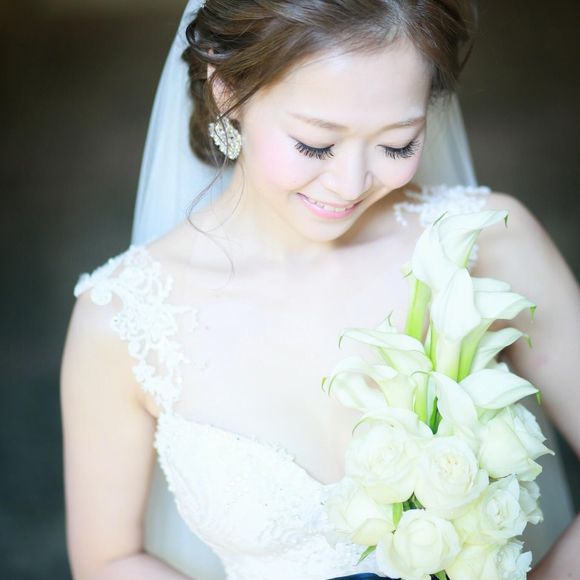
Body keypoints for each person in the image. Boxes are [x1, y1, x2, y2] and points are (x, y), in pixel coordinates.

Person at [60, 1, 579, 579]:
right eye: (314, 144)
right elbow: (108, 559)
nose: (350, 184)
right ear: (227, 91)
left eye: (397, 144)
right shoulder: (124, 318)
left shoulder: (487, 244)